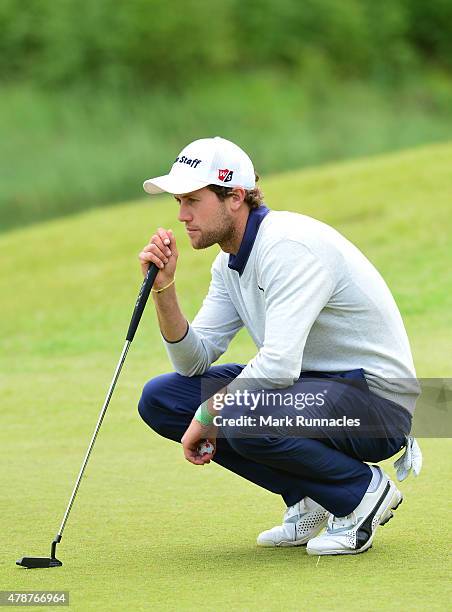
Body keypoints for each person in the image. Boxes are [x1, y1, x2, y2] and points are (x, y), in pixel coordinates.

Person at [137, 136, 421, 556]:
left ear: (234, 196)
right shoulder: (229, 262)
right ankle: (307, 497)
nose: (182, 215)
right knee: (161, 399)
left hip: (378, 406)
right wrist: (165, 290)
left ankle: (361, 492)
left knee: (237, 412)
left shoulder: (288, 247)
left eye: (192, 201)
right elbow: (193, 363)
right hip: (315, 393)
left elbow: (279, 365)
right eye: (179, 202)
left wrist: (210, 411)